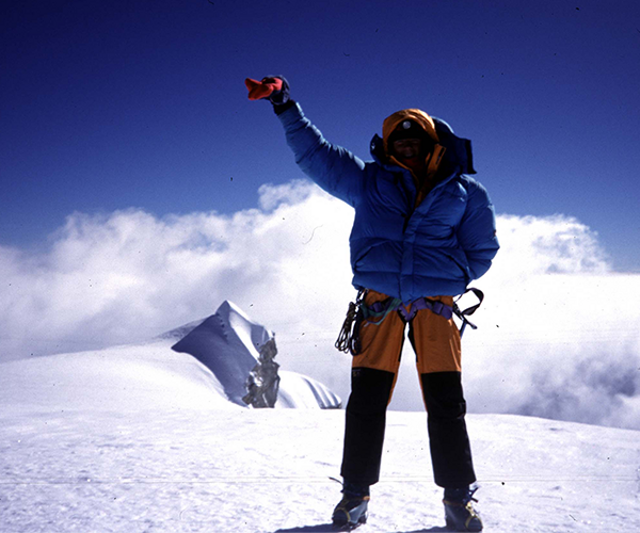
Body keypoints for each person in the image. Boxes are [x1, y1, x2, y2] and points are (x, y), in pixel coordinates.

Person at [246, 76, 499, 532]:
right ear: (387, 145)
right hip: (379, 304)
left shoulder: (466, 194)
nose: (405, 147)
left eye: (414, 140)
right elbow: (315, 155)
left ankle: (458, 499)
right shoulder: (368, 181)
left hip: (435, 307)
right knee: (366, 402)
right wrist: (284, 105)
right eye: (397, 140)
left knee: (446, 404)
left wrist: (440, 277)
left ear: (431, 142)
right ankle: (354, 496)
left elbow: (482, 252)